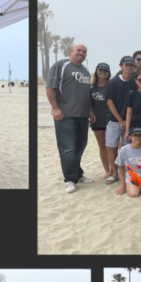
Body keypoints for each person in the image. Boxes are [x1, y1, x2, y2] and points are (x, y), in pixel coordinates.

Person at [44, 44, 94, 193]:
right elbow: (49, 87)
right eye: (78, 50)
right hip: (65, 115)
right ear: (71, 51)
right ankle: (69, 180)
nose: (81, 53)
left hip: (83, 116)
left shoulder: (85, 71)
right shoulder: (61, 65)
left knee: (80, 147)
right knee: (68, 149)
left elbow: (87, 94)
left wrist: (90, 111)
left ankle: (77, 174)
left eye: (84, 52)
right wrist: (55, 108)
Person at [104, 56, 138, 185]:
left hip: (130, 121)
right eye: (126, 64)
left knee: (125, 148)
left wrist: (126, 121)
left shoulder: (135, 82)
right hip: (114, 121)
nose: (129, 67)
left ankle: (125, 173)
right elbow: (109, 102)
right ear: (121, 66)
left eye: (131, 65)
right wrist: (119, 119)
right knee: (112, 148)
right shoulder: (113, 82)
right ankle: (114, 174)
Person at [89, 63, 114, 183]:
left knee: (112, 146)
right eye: (101, 70)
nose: (103, 72)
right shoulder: (91, 88)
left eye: (105, 70)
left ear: (109, 73)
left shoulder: (112, 86)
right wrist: (90, 113)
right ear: (96, 72)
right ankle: (106, 169)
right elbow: (88, 103)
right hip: (97, 120)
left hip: (111, 120)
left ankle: (113, 170)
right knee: (102, 146)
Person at [115, 128, 141, 198]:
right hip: (131, 175)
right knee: (134, 194)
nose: (138, 137)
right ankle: (137, 185)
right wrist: (123, 184)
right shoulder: (124, 149)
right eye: (135, 135)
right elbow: (121, 166)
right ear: (130, 137)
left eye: (140, 136)